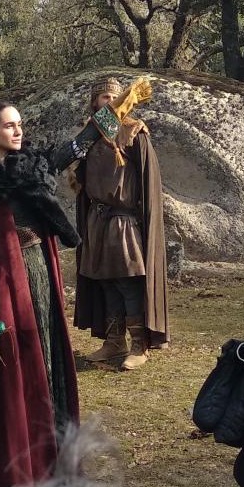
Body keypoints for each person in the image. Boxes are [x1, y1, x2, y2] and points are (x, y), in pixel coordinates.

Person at [0, 100, 80, 487]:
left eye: (20, 124)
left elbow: (76, 146)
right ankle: (19, 457)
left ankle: (50, 454)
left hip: (41, 274)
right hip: (5, 280)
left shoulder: (33, 167)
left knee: (47, 358)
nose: (18, 131)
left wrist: (115, 113)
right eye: (9, 126)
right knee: (16, 363)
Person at [74, 76, 168, 370]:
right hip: (97, 219)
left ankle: (140, 344)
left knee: (128, 282)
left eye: (115, 97)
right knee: (106, 282)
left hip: (123, 220)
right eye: (104, 97)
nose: (110, 102)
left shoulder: (134, 132)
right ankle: (114, 341)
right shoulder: (89, 135)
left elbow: (148, 182)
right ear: (95, 102)